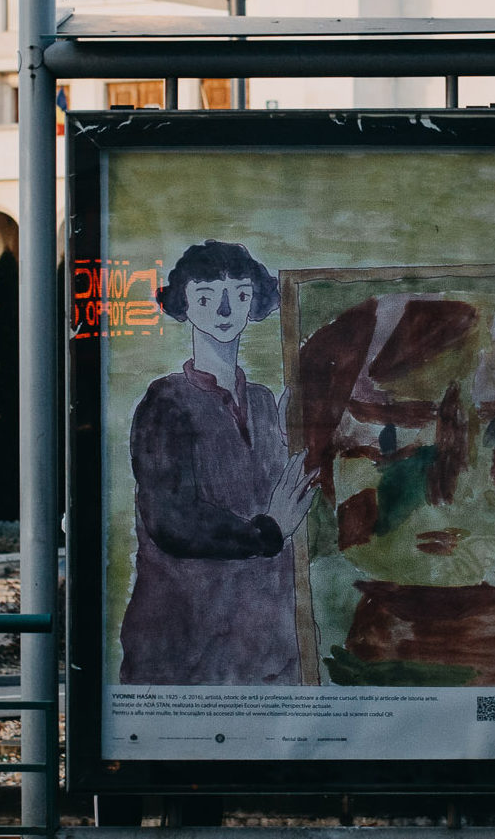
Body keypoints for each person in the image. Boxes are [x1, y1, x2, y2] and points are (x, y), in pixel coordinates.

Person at [118, 240, 317, 686]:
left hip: (267, 644)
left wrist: (291, 445)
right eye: (207, 297)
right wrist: (268, 531)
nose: (225, 310)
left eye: (240, 295)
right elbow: (172, 519)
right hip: (186, 644)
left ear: (254, 303)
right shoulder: (165, 401)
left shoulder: (265, 403)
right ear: (184, 304)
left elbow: (293, 497)